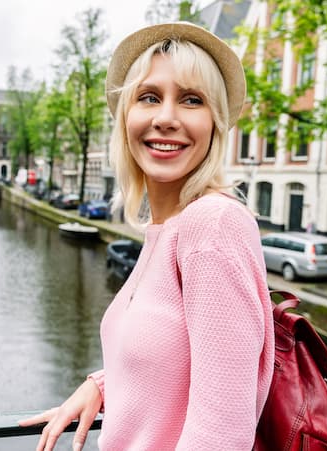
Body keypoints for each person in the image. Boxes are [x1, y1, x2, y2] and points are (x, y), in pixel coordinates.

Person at [19, 22, 274, 450]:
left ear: (215, 122)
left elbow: (221, 434)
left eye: (192, 100)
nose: (166, 118)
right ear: (126, 117)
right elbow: (171, 357)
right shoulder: (167, 229)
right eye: (149, 97)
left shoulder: (211, 227)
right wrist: (101, 385)